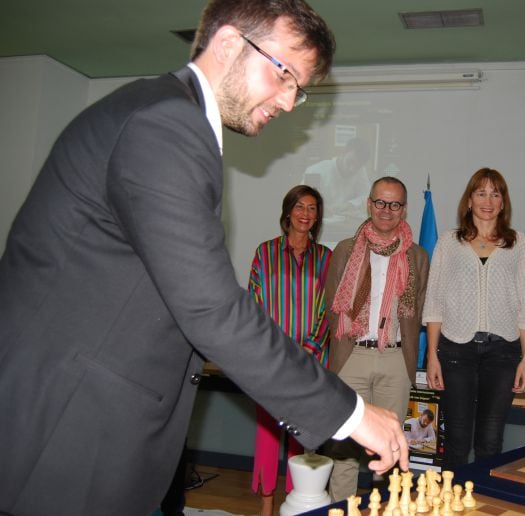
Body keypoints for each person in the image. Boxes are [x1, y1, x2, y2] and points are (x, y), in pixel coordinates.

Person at [0, 2, 409, 514]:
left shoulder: (166, 116)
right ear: (229, 44)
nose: (287, 101)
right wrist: (350, 413)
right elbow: (210, 307)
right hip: (65, 426)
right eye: (284, 76)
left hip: (93, 421)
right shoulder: (166, 123)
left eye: (298, 90)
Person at [423, 167, 525, 472]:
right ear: (469, 200)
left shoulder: (520, 243)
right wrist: (432, 356)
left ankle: (486, 504)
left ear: (503, 202)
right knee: (457, 441)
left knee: (490, 440)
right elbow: (434, 302)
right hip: (455, 352)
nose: (488, 200)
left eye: (495, 193)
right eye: (481, 192)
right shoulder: (449, 242)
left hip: (503, 353)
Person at [324, 176, 429, 501]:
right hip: (351, 356)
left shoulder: (417, 256)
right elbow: (331, 306)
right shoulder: (344, 250)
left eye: (394, 204)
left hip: (396, 361)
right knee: (344, 450)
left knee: (389, 450)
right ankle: (343, 510)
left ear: (404, 210)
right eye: (380, 202)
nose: (386, 210)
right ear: (369, 204)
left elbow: (420, 309)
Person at [247, 185, 331, 516]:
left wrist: (308, 349)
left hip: (311, 364)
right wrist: (275, 351)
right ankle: (267, 505)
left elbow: (329, 309)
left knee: (302, 437)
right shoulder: (264, 253)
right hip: (271, 363)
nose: (306, 213)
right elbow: (253, 305)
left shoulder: (326, 257)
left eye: (312, 208)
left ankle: (297, 504)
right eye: (300, 206)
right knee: (268, 436)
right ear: (287, 211)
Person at [302, 137, 372, 233]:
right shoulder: (316, 171)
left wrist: (349, 205)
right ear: (343, 153)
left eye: (357, 166)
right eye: (350, 162)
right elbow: (304, 200)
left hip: (344, 227)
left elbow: (366, 195)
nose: (352, 169)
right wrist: (320, 207)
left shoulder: (360, 170)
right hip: (318, 228)